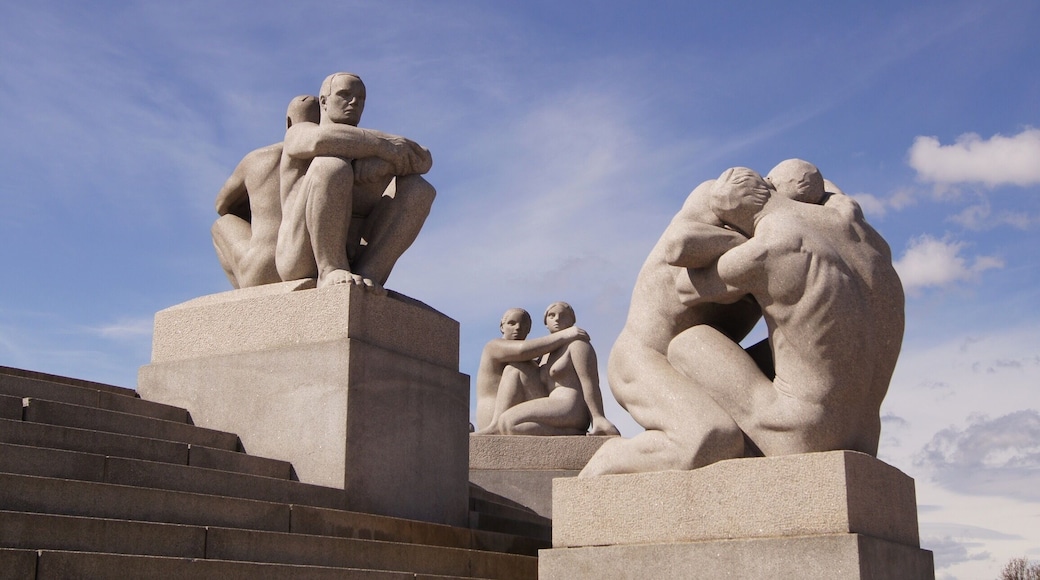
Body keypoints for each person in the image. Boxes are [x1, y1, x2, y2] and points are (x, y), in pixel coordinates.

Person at [669, 167, 904, 457]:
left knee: (689, 343)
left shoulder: (769, 247)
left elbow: (684, 288)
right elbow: (825, 187)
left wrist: (730, 237)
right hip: (866, 435)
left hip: (802, 433)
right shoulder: (852, 223)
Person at [275, 72, 436, 291]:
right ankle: (329, 269)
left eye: (361, 98)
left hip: (356, 254)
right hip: (300, 254)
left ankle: (371, 273)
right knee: (331, 166)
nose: (354, 102)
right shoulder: (300, 132)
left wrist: (386, 163)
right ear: (323, 101)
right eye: (344, 95)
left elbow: (422, 160)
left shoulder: (367, 148)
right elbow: (320, 139)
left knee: (420, 189)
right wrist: (384, 148)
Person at [212, 96, 320, 288]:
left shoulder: (257, 158)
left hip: (262, 266)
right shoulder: (328, 157)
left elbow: (222, 206)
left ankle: (246, 294)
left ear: (288, 123)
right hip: (308, 263)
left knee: (222, 224)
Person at [479, 303, 621, 436]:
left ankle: (576, 433)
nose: (557, 319)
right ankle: (571, 432)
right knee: (508, 422)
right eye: (551, 315)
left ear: (572, 321)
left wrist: (598, 417)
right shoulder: (544, 354)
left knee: (509, 421)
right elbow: (523, 353)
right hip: (553, 406)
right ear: (546, 323)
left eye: (563, 315)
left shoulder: (577, 344)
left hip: (570, 406)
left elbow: (589, 381)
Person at [474, 308, 589, 432]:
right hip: (491, 418)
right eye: (511, 323)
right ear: (502, 327)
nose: (517, 328)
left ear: (528, 330)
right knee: (516, 369)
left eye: (523, 325)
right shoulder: (493, 346)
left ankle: (566, 429)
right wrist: (565, 334)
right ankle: (496, 425)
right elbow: (522, 350)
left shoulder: (532, 359)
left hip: (514, 414)